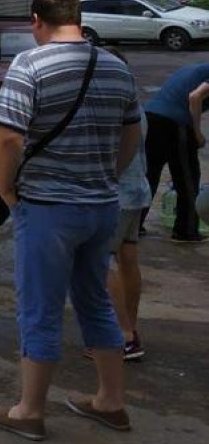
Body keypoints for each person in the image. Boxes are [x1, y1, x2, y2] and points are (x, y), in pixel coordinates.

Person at [0, 0, 142, 441]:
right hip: (101, 207)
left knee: (40, 308)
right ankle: (111, 402)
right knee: (95, 301)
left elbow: (9, 139)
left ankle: (29, 412)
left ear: (37, 21)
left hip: (50, 210)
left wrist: (7, 189)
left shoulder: (29, 65)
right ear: (78, 18)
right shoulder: (113, 64)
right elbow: (133, 130)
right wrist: (107, 173)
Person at [99, 47, 151, 361]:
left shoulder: (115, 105)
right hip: (136, 193)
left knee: (99, 264)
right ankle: (131, 329)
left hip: (116, 196)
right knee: (127, 258)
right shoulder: (135, 103)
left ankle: (123, 336)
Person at [140, 63, 209, 242]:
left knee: (149, 176)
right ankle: (186, 231)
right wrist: (197, 132)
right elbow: (195, 97)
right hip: (175, 123)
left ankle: (133, 226)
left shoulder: (196, 69)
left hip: (151, 118)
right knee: (187, 179)